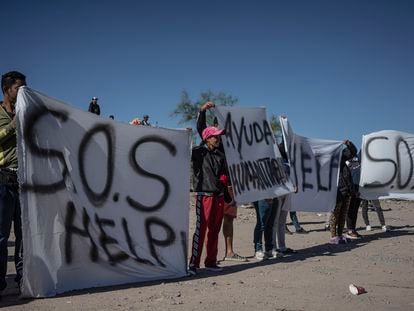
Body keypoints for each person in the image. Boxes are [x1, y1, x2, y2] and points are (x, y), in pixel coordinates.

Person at [196, 102, 247, 263]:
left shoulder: (229, 145)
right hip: (208, 192)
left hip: (227, 188)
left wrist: (229, 188)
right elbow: (202, 129)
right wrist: (202, 111)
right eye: (216, 133)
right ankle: (196, 261)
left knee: (227, 220)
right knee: (206, 226)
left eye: (220, 134)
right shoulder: (204, 149)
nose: (218, 137)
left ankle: (227, 252)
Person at [188, 126, 228, 275]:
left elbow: (225, 173)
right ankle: (193, 263)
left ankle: (211, 261)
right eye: (215, 136)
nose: (218, 139)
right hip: (204, 195)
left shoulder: (221, 155)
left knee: (215, 230)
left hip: (219, 196)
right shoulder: (199, 152)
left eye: (219, 136)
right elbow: (184, 150)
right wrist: (186, 135)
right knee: (201, 229)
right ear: (207, 138)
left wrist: (224, 179)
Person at [0, 71, 26, 294]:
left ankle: (23, 280)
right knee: (1, 235)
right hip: (3, 180)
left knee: (24, 234)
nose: (22, 92)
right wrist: (14, 125)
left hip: (25, 181)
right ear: (7, 89)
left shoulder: (25, 111)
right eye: (19, 88)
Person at [329, 140, 357, 244]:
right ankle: (333, 237)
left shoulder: (342, 157)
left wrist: (348, 143)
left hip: (347, 191)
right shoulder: (329, 160)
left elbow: (353, 151)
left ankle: (340, 235)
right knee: (335, 215)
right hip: (337, 191)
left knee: (342, 215)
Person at [344, 155, 362, 239]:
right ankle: (349, 231)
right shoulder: (347, 161)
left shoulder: (362, 160)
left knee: (354, 210)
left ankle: (352, 229)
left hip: (359, 189)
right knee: (350, 210)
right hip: (350, 190)